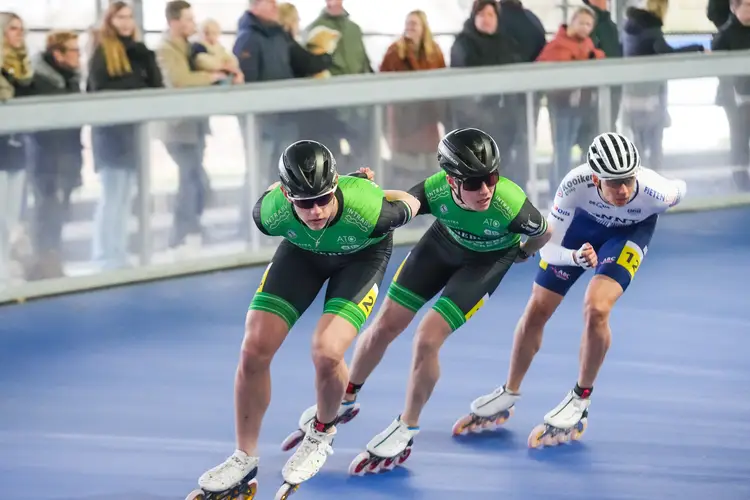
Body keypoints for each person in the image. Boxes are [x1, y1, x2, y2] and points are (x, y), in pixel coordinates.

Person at [280, 128, 552, 474]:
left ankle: (407, 426)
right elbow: (386, 207)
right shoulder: (433, 190)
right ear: (451, 181)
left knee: (427, 338)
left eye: (491, 178)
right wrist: (350, 183)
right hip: (441, 246)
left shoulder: (510, 204)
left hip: (487, 262)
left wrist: (522, 254)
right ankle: (347, 397)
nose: (485, 190)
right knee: (385, 325)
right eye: (473, 183)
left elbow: (544, 232)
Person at [185, 140, 421, 500]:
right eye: (304, 203)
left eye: (323, 199)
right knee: (253, 349)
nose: (316, 211)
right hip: (302, 255)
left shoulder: (370, 209)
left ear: (335, 186)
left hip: (360, 259)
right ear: (286, 195)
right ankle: (244, 456)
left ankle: (322, 432)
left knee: (326, 352)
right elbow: (273, 193)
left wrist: (377, 191)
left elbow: (411, 201)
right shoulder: (270, 212)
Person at [453, 132, 687, 448]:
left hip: (629, 235)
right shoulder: (574, 185)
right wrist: (575, 257)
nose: (623, 190)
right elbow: (548, 248)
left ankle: (580, 398)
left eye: (628, 180)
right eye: (613, 182)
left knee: (597, 308)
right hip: (581, 232)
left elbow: (680, 188)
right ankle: (509, 390)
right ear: (595, 179)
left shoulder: (656, 192)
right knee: (537, 308)